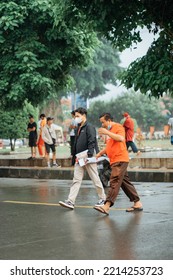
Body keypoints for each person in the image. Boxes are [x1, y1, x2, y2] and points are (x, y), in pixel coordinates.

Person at [94, 112, 143, 215]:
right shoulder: (110, 131)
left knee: (115, 181)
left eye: (103, 122)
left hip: (120, 159)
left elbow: (121, 138)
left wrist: (107, 133)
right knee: (125, 183)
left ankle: (106, 206)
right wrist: (99, 153)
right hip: (115, 160)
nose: (102, 125)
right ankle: (137, 203)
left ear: (109, 121)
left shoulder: (118, 127)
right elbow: (109, 146)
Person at [59, 107, 106, 209]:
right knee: (76, 179)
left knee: (95, 177)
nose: (75, 118)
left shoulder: (89, 127)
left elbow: (92, 141)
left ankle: (102, 198)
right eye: (75, 116)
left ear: (84, 115)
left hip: (88, 156)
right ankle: (71, 201)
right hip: (79, 157)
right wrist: (74, 155)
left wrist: (89, 155)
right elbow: (76, 143)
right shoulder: (78, 128)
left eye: (77, 116)